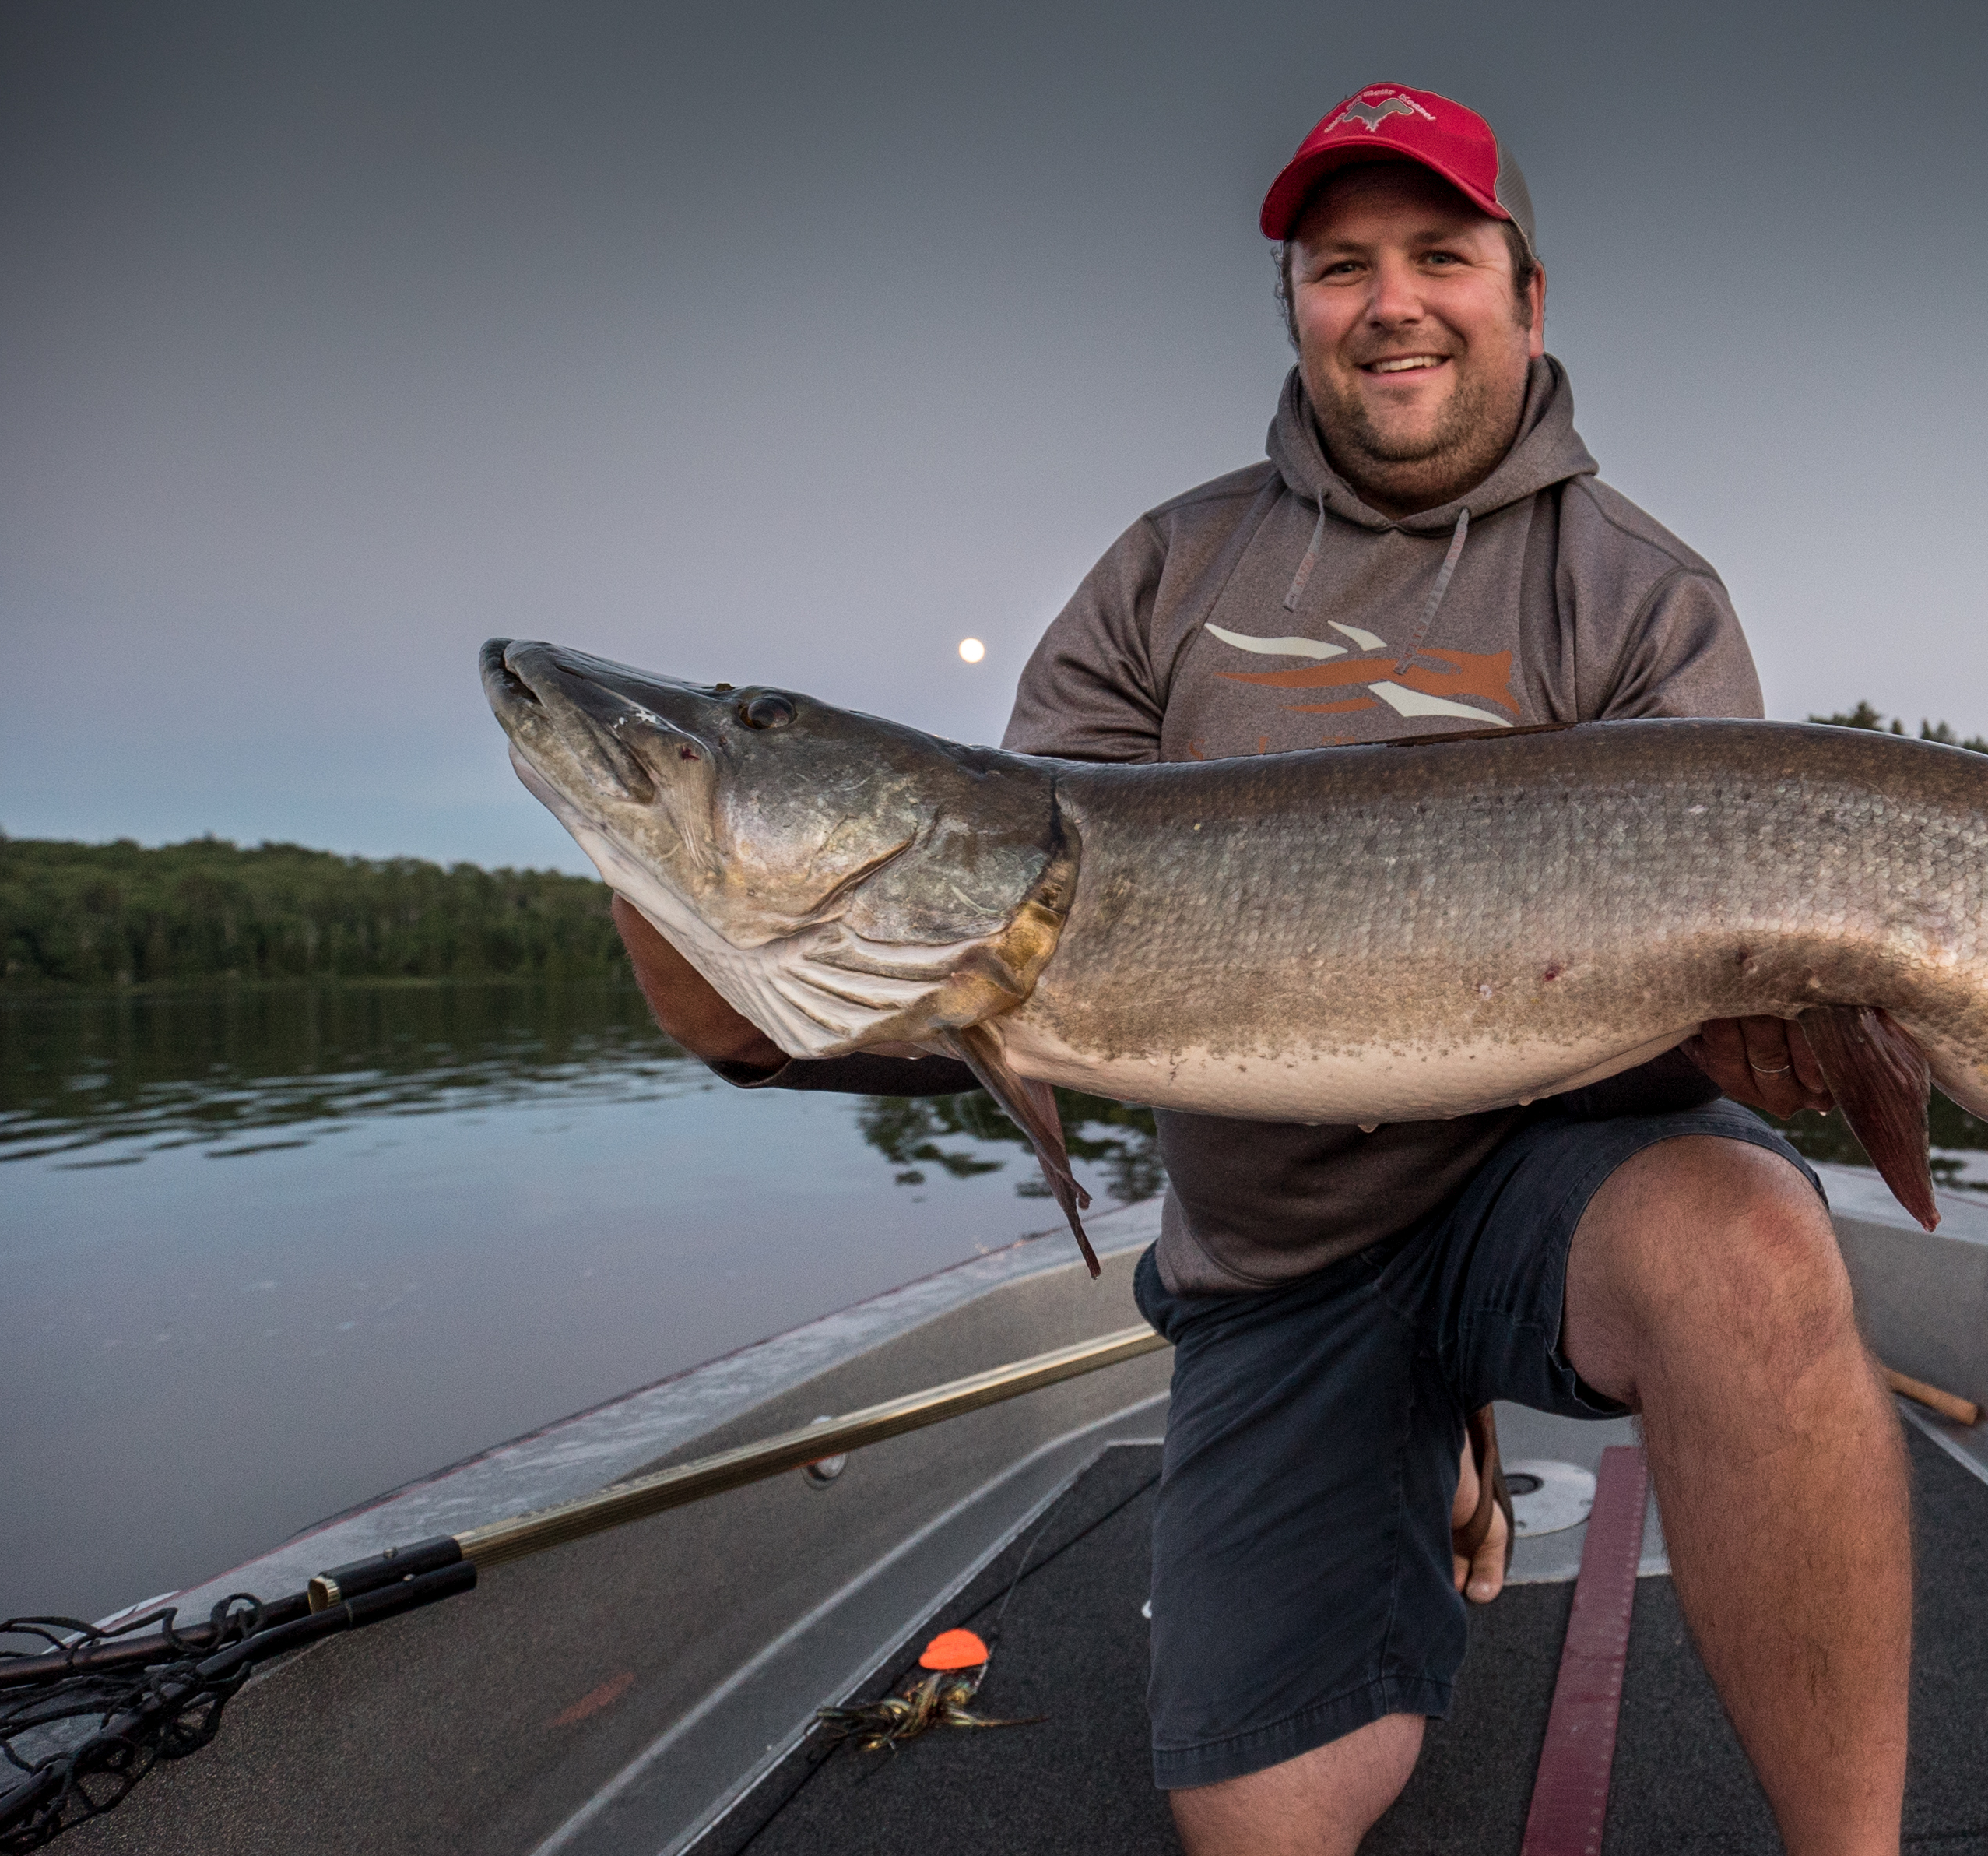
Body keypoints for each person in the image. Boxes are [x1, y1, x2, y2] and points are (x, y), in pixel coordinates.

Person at [610, 83, 1912, 1854]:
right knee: (1264, 1823)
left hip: (1549, 1190)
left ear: (1527, 295)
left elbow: (1690, 997)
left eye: (1439, 255)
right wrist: (727, 978)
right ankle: (1433, 1450)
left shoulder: (1638, 594)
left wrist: (1775, 1043)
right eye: (1338, 264)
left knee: (1756, 1253)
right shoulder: (1164, 574)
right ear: (1294, 304)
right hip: (1278, 1263)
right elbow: (976, 966)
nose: (1389, 301)